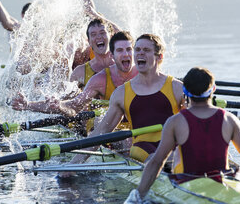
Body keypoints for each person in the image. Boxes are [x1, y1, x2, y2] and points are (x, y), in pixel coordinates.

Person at [125, 67, 240, 204]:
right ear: (213, 89)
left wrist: (137, 196)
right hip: (224, 183)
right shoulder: (229, 119)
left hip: (186, 184)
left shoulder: (175, 122)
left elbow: (157, 162)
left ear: (185, 92)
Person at [60, 34, 184, 175]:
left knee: (181, 155)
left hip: (171, 146)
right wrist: (72, 166)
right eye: (137, 50)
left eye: (146, 50)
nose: (140, 53)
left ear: (160, 57)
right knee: (165, 160)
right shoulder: (122, 93)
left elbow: (195, 122)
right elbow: (100, 133)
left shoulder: (177, 87)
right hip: (143, 148)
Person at [11, 31, 138, 120]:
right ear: (112, 55)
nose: (126, 54)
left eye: (128, 50)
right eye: (120, 50)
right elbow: (73, 106)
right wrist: (29, 105)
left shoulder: (146, 73)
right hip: (107, 127)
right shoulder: (98, 79)